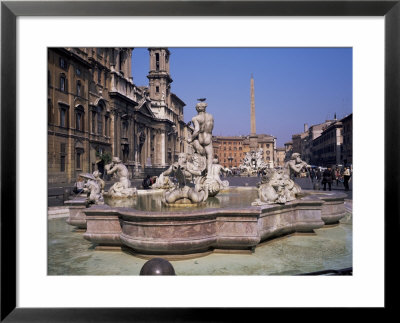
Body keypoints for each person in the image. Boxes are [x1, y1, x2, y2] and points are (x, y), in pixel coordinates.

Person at [187, 101, 214, 179]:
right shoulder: (211, 117)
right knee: (209, 156)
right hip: (208, 138)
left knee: (199, 154)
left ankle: (199, 173)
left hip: (201, 138)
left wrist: (191, 138)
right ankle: (209, 174)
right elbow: (211, 128)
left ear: (197, 109)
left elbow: (197, 130)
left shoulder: (195, 118)